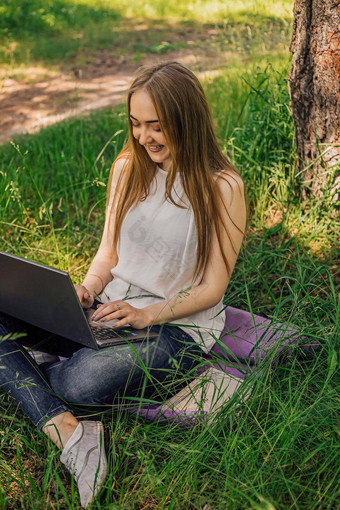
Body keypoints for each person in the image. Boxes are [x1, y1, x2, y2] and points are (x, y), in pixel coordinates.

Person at [0, 61, 246, 507]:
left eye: (156, 126)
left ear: (185, 120)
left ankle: (23, 368)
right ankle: (71, 432)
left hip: (176, 329)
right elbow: (108, 255)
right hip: (107, 310)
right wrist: (89, 288)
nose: (143, 137)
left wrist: (147, 313)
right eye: (135, 124)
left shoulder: (222, 186)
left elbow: (213, 287)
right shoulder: (127, 168)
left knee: (81, 384)